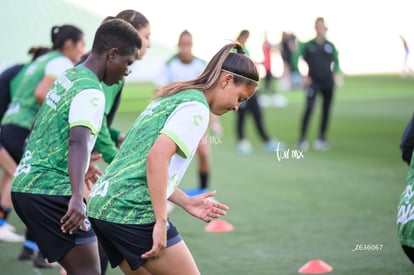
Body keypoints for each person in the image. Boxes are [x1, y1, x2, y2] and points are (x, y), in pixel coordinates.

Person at [86, 41, 257, 274]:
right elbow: (156, 158)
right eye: (240, 98)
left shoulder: (176, 94)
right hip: (130, 209)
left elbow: (142, 161)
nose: (237, 107)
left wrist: (185, 201)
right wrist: (160, 221)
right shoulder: (196, 108)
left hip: (102, 205)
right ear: (226, 81)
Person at [10, 18, 141, 275]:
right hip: (50, 191)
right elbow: (77, 142)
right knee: (90, 272)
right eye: (128, 63)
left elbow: (39, 124)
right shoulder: (91, 91)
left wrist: (80, 167)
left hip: (25, 186)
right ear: (112, 55)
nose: (127, 71)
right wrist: (77, 196)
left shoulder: (70, 75)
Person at [0, 24, 86, 267]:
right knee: (53, 185)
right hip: (24, 128)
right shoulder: (60, 62)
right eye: (81, 44)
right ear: (69, 45)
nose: (83, 51)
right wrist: (54, 123)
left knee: (26, 183)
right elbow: (41, 94)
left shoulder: (43, 59)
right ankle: (45, 253)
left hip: (10, 124)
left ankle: (31, 248)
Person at [155, 30, 223, 198]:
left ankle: (204, 190)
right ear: (178, 45)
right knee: (167, 156)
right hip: (174, 118)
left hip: (197, 118)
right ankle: (164, 193)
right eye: (183, 44)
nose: (186, 48)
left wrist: (214, 120)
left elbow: (210, 94)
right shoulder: (169, 64)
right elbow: (159, 91)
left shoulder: (201, 65)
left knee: (204, 153)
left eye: (189, 44)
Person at [0, 47, 50, 243]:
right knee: (15, 173)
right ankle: (2, 225)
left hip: (6, 126)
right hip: (8, 127)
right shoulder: (26, 74)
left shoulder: (21, 70)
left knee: (9, 172)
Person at [292, 17, 341, 151]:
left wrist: (335, 73)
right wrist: (302, 75)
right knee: (309, 108)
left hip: (327, 82)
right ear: (315, 27)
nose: (320, 28)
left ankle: (321, 138)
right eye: (318, 26)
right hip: (313, 82)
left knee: (326, 110)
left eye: (322, 26)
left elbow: (336, 61)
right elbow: (296, 58)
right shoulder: (308, 45)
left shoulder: (330, 46)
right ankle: (302, 139)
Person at [235, 29, 283, 155]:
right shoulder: (234, 51)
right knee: (241, 116)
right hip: (240, 90)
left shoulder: (246, 50)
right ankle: (241, 142)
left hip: (251, 88)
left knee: (258, 114)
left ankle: (267, 141)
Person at [259, 31, 287, 108]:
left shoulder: (265, 44)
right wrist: (280, 46)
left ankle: (267, 95)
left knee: (268, 84)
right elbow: (274, 47)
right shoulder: (266, 44)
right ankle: (266, 97)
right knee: (268, 85)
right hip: (267, 67)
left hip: (268, 66)